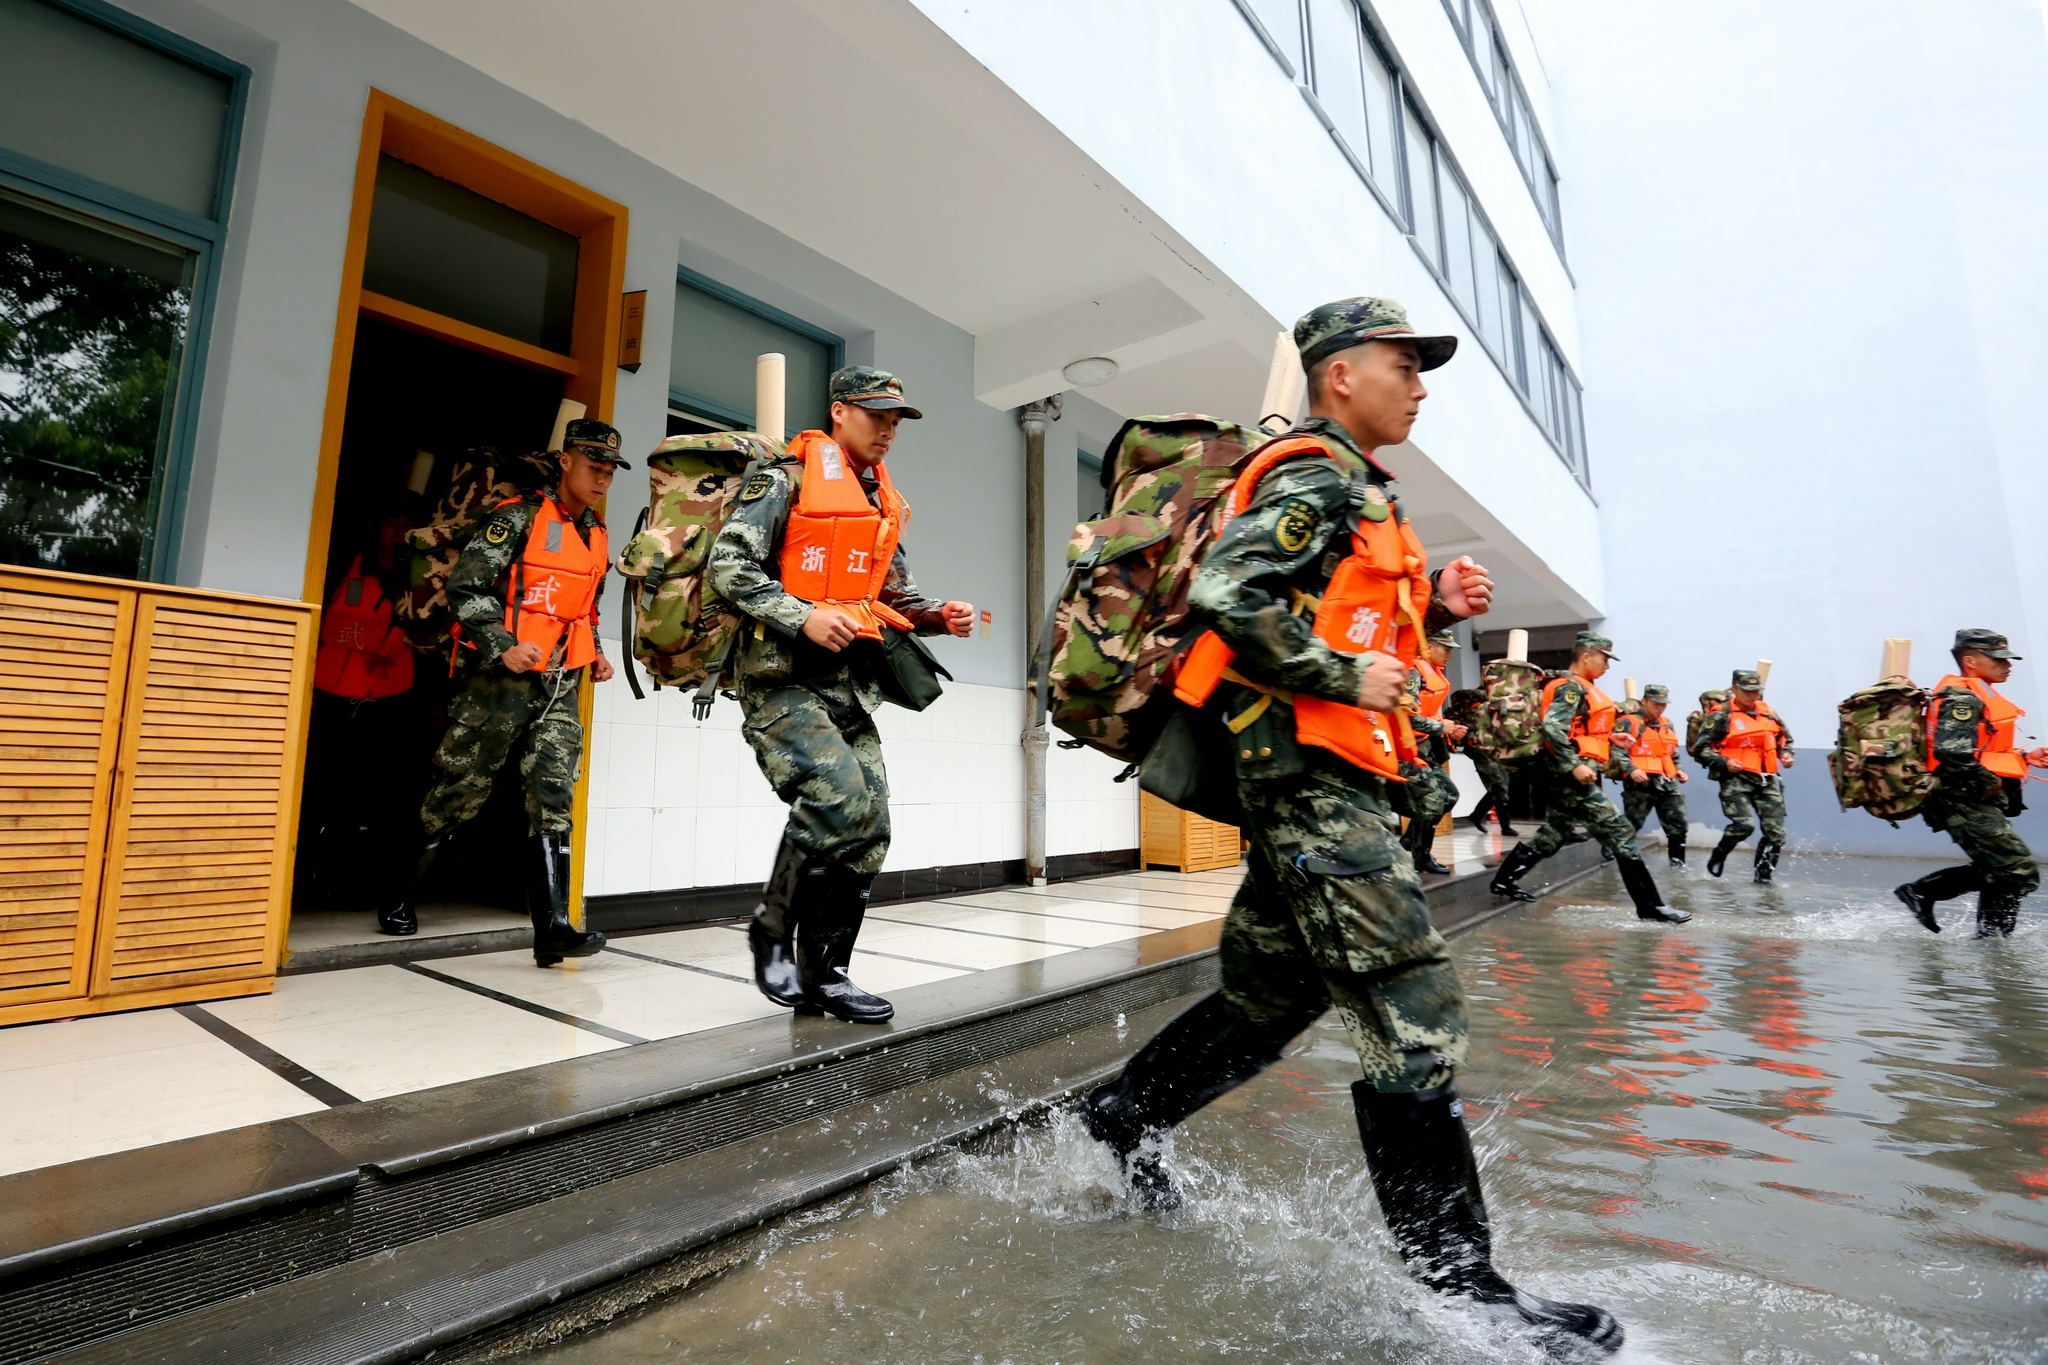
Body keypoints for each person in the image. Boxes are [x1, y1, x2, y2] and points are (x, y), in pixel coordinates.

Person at [1082, 298, 1623, 1353]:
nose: (1418, 386)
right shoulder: (1314, 473)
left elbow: (1341, 614)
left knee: (1266, 1001)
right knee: (1412, 1013)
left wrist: (1431, 600)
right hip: (1306, 782)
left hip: (1335, 776)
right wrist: (1338, 672)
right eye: (1401, 365)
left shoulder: (1361, 490)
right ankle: (1459, 1285)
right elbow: (1233, 592)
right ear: (1338, 375)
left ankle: (1119, 1118)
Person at [710, 367, 974, 1024]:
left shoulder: (882, 500)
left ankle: (826, 976)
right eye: (876, 415)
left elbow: (893, 590)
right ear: (839, 413)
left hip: (849, 686)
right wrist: (803, 615)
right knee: (837, 801)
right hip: (780, 679)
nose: (888, 430)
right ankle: (770, 931)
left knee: (870, 828)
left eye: (895, 420)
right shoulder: (784, 480)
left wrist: (941, 613)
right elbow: (729, 569)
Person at [380, 419, 624, 966]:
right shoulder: (517, 517)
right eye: (593, 467)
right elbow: (465, 586)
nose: (602, 478)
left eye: (609, 471)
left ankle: (554, 928)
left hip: (563, 678)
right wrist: (500, 644)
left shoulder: (598, 533)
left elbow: (583, 603)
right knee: (460, 786)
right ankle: (396, 892)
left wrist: (598, 651)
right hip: (501, 679)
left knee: (554, 792)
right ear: (566, 463)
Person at [1488, 633, 1688, 924]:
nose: (1607, 665)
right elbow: (1553, 728)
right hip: (1567, 775)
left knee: (1556, 831)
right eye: (1604, 658)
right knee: (1620, 831)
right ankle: (1651, 906)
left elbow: (1580, 730)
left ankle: (1504, 880)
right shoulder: (1570, 687)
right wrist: (1572, 765)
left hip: (1572, 772)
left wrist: (1611, 737)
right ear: (1586, 656)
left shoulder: (1584, 688)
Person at [302, 498, 424, 911]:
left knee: (377, 800)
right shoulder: (338, 563)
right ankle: (302, 882)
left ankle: (356, 886)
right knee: (317, 793)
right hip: (328, 703)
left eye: (410, 525)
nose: (401, 531)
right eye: (393, 521)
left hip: (390, 706)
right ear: (373, 526)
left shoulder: (425, 575)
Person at [1895, 629, 2048, 936]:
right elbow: (1951, 752)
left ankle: (1992, 937)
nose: (2007, 665)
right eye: (1998, 659)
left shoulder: (1975, 694)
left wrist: (2024, 756)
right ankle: (1923, 891)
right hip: (1959, 796)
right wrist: (1989, 781)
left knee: (2000, 869)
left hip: (1970, 795)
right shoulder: (1962, 698)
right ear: (1970, 660)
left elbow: (1979, 749)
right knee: (2019, 870)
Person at [1690, 669, 1793, 882]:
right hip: (1735, 778)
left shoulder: (1768, 713)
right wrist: (1724, 761)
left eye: (1756, 691)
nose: (1752, 695)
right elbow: (1701, 748)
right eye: (1747, 690)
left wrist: (1786, 754)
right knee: (1744, 826)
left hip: (1766, 778)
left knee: (1777, 833)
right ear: (1735, 688)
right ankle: (1720, 854)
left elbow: (1785, 739)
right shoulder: (1720, 714)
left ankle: (1763, 875)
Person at [1398, 627, 1463, 875]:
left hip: (1424, 747)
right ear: (1428, 646)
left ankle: (1410, 838)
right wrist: (1439, 726)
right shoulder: (1414, 673)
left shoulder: (1433, 673)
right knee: (1432, 800)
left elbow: (1427, 711)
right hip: (1407, 749)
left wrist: (1448, 729)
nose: (1449, 654)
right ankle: (1420, 855)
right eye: (1445, 648)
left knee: (1449, 795)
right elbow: (1407, 716)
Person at [1617, 683, 1690, 866]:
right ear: (1644, 701)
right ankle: (1617, 853)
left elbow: (1672, 752)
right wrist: (1631, 770)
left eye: (1663, 704)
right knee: (1632, 823)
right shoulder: (1629, 722)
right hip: (1640, 783)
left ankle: (1677, 865)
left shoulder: (1667, 724)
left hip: (1666, 782)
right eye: (1656, 703)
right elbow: (1617, 751)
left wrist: (1678, 769)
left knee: (1678, 824)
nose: (1660, 708)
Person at [1449, 687, 1519, 837]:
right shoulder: (1481, 711)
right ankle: (1505, 827)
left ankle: (1476, 815)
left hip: (1491, 753)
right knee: (1500, 787)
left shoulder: (1479, 710)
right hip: (1485, 754)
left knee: (1500, 787)